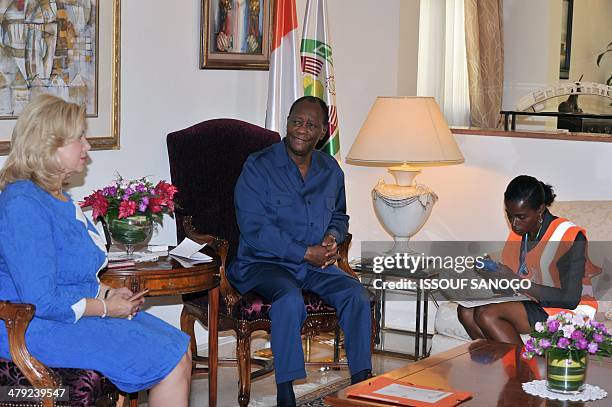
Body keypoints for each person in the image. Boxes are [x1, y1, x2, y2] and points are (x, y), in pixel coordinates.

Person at [0, 95, 192, 406]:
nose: (87, 147)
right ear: (50, 145)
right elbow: (41, 299)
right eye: (79, 138)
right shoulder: (23, 203)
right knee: (167, 359)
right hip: (34, 328)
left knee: (179, 346)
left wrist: (106, 295)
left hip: (65, 316)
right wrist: (105, 308)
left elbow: (74, 273)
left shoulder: (57, 197)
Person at [228, 96, 372, 406]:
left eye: (310, 125)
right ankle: (286, 392)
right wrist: (306, 252)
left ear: (322, 132)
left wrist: (333, 236)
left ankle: (362, 382)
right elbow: (255, 229)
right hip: (263, 264)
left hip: (314, 266)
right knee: (289, 299)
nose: (301, 129)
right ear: (288, 122)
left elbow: (339, 216)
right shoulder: (259, 165)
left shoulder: (330, 170)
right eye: (296, 121)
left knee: (356, 293)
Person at [457, 175, 599, 345]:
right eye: (509, 215)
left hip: (567, 308)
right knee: (465, 311)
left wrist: (515, 282)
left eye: (521, 217)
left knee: (487, 314)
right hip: (529, 298)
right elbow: (513, 281)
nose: (514, 223)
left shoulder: (569, 236)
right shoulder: (520, 232)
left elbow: (570, 298)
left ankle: (525, 370)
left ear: (540, 209)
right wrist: (492, 275)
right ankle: (499, 367)